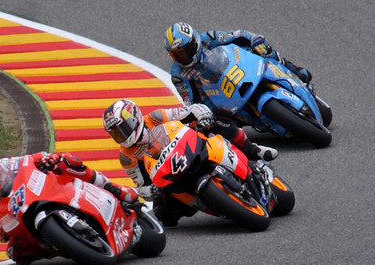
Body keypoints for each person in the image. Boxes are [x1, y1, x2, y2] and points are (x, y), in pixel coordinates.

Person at [101, 98, 278, 228]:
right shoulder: (126, 156)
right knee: (163, 214)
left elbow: (188, 111)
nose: (120, 136)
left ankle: (253, 150)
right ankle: (217, 204)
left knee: (219, 116)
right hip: (170, 174)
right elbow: (141, 185)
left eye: (121, 129)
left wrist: (203, 116)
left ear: (134, 119)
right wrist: (151, 191)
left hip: (190, 146)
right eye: (115, 133)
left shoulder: (154, 118)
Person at [0, 151, 140, 265]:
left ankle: (115, 190)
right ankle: (62, 246)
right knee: (16, 253)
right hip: (21, 221)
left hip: (40, 192)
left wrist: (44, 159)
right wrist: (5, 228)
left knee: (66, 162)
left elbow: (25, 161)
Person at [164, 22, 313, 107]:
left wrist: (254, 39)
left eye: (186, 50)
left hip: (239, 70)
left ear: (195, 41)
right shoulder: (178, 75)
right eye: (177, 54)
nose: (183, 57)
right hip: (219, 98)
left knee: (263, 50)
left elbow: (238, 35)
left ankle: (294, 70)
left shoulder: (208, 39)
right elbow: (189, 102)